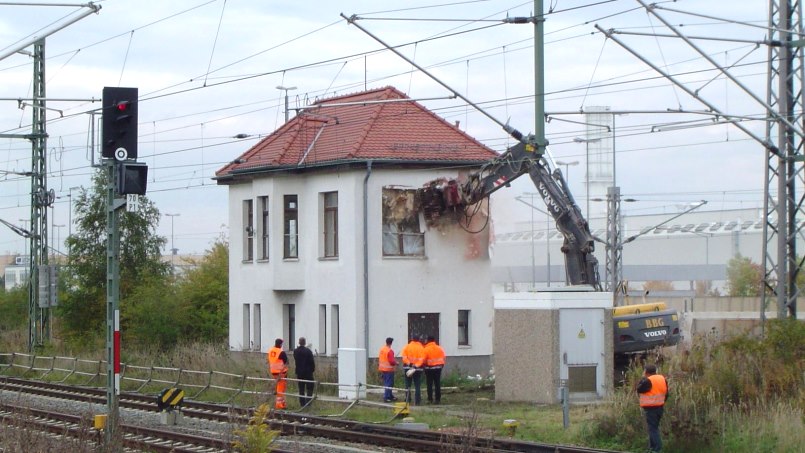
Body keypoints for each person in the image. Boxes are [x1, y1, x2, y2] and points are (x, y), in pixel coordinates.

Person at [636, 363, 669, 452]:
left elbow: (639, 389)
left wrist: (643, 378)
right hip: (660, 407)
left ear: (646, 372)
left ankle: (657, 449)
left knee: (653, 429)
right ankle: (652, 448)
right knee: (654, 427)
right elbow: (666, 393)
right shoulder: (662, 379)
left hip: (651, 408)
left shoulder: (648, 380)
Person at [400, 334, 425, 405]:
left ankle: (408, 399)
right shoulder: (421, 348)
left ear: (412, 339)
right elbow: (422, 359)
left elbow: (404, 357)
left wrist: (409, 364)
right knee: (417, 385)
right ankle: (417, 401)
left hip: (408, 368)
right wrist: (416, 366)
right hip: (417, 369)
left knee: (408, 384)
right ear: (418, 340)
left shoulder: (407, 347)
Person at [293, 337, 315, 407]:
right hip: (308, 372)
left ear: (299, 342)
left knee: (301, 388)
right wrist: (312, 369)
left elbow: (296, 360)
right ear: (305, 343)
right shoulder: (308, 351)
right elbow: (312, 362)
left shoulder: (296, 351)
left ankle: (302, 403)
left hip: (299, 372)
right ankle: (308, 403)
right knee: (309, 387)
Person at [423, 335, 446, 404]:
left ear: (428, 340)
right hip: (438, 368)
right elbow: (444, 357)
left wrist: (424, 366)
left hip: (429, 369)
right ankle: (438, 399)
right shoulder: (440, 348)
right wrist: (441, 365)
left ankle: (430, 399)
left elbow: (424, 360)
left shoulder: (426, 349)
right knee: (437, 383)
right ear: (434, 340)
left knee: (429, 384)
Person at [267, 338, 289, 409]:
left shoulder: (270, 350)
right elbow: (286, 362)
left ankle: (282, 403)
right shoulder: (281, 352)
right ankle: (279, 404)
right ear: (280, 344)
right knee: (281, 388)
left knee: (278, 387)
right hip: (281, 372)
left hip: (273, 372)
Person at [378, 337, 398, 402]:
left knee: (387, 383)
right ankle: (386, 397)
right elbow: (391, 361)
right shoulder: (390, 351)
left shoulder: (382, 349)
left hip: (383, 369)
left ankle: (390, 395)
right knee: (389, 383)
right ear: (391, 343)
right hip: (389, 370)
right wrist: (396, 363)